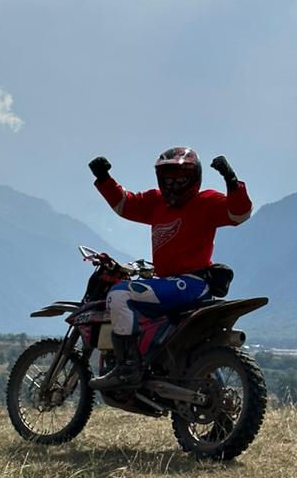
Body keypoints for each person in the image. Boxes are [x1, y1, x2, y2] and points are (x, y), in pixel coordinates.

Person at [87, 147, 252, 390]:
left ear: (194, 178)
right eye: (168, 180)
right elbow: (126, 204)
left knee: (119, 294)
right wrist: (104, 179)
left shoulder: (205, 202)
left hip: (189, 284)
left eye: (180, 180)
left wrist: (232, 181)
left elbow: (239, 214)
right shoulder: (156, 202)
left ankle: (127, 368)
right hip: (172, 285)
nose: (173, 185)